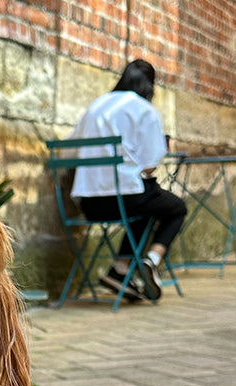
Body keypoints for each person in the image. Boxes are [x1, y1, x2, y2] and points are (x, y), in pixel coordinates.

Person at [68, 59, 186, 301]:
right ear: (150, 86)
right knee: (175, 207)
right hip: (126, 200)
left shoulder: (96, 105)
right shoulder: (144, 109)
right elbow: (150, 165)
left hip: (89, 204)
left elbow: (69, 149)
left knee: (146, 204)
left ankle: (120, 270)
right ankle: (152, 260)